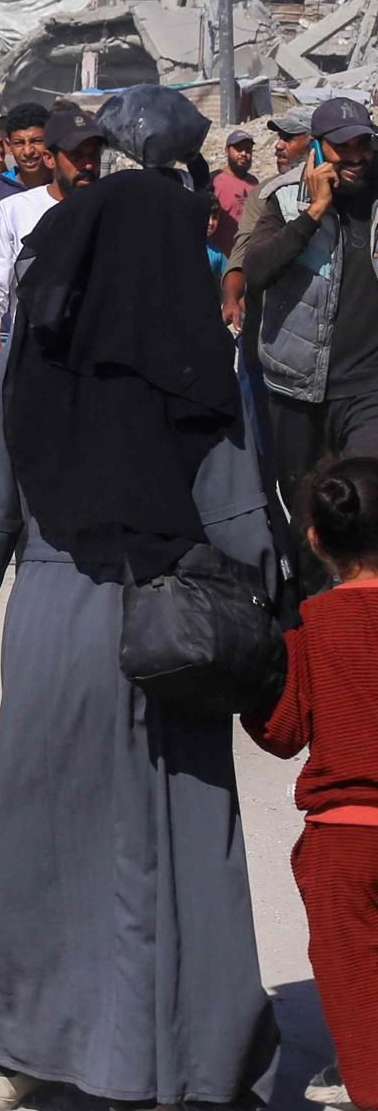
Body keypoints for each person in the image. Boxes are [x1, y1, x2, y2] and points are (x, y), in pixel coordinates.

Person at [0, 170, 277, 1111]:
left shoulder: (29, 357)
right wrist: (277, 628)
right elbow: (240, 518)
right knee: (176, 849)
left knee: (39, 840)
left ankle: (21, 1047)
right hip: (175, 629)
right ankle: (182, 1061)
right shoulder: (197, 357)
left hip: (54, 620)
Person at [246, 454, 378, 1111]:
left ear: (316, 538)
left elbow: (282, 732)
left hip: (345, 840)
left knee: (357, 985)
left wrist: (247, 684)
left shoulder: (314, 625)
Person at [235, 97, 378, 545]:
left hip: (368, 389)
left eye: (362, 145)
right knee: (308, 515)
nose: (355, 157)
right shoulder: (283, 198)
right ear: (317, 148)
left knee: (365, 499)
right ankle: (308, 589)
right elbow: (256, 270)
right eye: (342, 147)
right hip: (297, 390)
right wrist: (314, 212)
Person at [0, 103, 101, 371]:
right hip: (33, 362)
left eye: (93, 155)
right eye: (76, 155)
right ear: (51, 158)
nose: (87, 164)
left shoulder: (113, 210)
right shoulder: (11, 210)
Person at [211, 127, 260, 261]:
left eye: (248, 150)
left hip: (248, 259)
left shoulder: (254, 183)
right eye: (238, 149)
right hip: (220, 260)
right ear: (227, 150)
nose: (244, 154)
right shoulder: (214, 181)